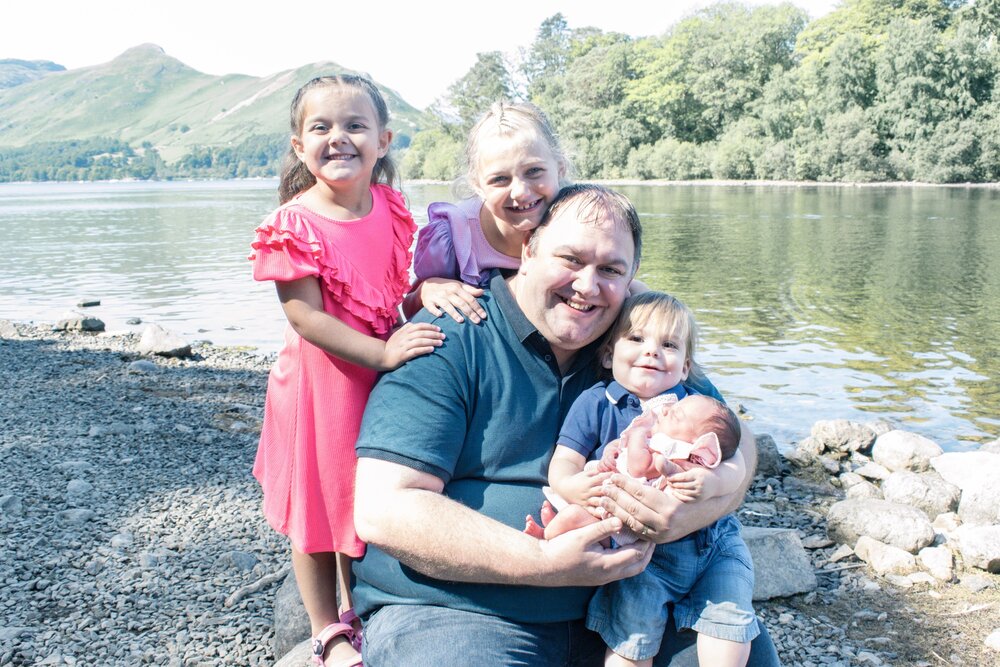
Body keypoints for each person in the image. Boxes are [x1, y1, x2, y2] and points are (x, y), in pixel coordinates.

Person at [352, 184, 780, 666]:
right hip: (460, 610)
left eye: (611, 270)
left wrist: (685, 515)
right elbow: (384, 508)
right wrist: (541, 563)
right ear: (528, 250)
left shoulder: (638, 345)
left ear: (632, 277)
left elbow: (735, 447)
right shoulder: (449, 337)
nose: (587, 286)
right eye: (571, 260)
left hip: (637, 600)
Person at [247, 74, 445, 667]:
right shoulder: (294, 224)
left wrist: (425, 295)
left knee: (359, 497)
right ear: (297, 144)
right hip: (320, 386)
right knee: (317, 505)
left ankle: (361, 607)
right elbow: (307, 318)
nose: (339, 137)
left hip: (375, 378)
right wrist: (384, 353)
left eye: (355, 125)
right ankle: (323, 630)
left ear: (383, 140)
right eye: (321, 127)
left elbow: (388, 290)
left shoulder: (387, 205)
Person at [538, 292, 758, 667]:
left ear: (685, 367)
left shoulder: (696, 406)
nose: (652, 352)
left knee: (729, 619)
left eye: (668, 345)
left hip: (710, 543)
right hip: (639, 552)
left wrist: (715, 485)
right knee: (631, 638)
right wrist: (572, 486)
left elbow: (735, 461)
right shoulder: (596, 403)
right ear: (608, 355)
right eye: (637, 339)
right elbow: (564, 462)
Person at [402, 101, 570, 324]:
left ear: (560, 168)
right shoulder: (454, 234)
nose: (520, 192)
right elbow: (410, 307)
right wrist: (428, 289)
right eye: (500, 179)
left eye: (534, 171)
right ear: (477, 185)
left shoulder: (580, 222)